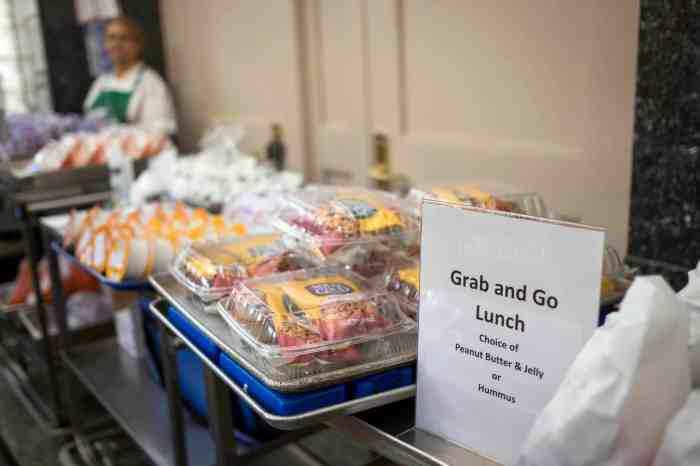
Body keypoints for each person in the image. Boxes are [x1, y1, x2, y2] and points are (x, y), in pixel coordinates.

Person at [84, 16, 177, 135]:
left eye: (124, 38)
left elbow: (161, 131)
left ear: (138, 45)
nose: (116, 44)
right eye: (111, 38)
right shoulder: (101, 82)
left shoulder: (150, 83)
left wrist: (121, 133)